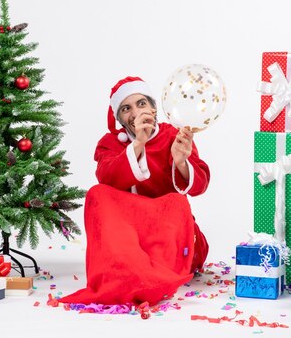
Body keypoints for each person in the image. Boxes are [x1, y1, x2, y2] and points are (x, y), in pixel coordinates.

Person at [59, 76, 210, 306]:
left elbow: (200, 186)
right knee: (97, 193)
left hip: (167, 232)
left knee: (177, 202)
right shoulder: (109, 143)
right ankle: (127, 269)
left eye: (141, 104)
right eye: (126, 108)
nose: (135, 112)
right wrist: (138, 144)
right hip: (128, 236)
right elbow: (107, 178)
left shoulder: (174, 136)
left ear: (153, 108)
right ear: (119, 118)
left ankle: (153, 273)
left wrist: (181, 162)